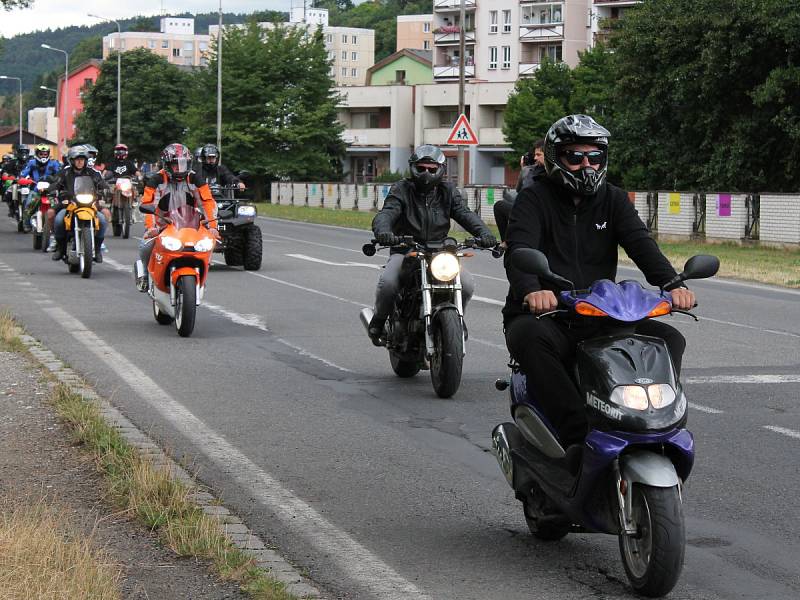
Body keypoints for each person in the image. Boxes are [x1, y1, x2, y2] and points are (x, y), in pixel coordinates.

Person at [503, 114, 696, 449]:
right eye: (575, 158)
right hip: (549, 315)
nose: (586, 165)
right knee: (531, 338)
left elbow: (642, 245)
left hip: (602, 313)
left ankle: (656, 419)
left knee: (668, 339)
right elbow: (520, 250)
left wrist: (673, 284)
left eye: (594, 157)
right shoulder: (534, 200)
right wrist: (533, 290)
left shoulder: (614, 199)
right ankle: (576, 436)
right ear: (554, 158)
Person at [367, 144, 497, 345]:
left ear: (440, 170)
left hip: (440, 252)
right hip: (406, 249)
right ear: (413, 168)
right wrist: (384, 232)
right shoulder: (401, 189)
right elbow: (388, 212)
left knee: (467, 284)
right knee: (389, 283)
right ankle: (379, 320)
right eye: (421, 168)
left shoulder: (448, 191)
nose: (426, 173)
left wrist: (485, 234)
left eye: (432, 169)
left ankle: (457, 320)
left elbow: (464, 214)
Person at [135, 143, 218, 291]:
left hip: (189, 224)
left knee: (208, 244)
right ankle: (146, 276)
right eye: (175, 164)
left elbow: (207, 202)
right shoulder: (156, 180)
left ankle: (202, 277)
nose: (180, 168)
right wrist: (151, 228)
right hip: (163, 225)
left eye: (183, 164)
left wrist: (212, 227)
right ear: (167, 164)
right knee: (145, 246)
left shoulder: (195, 179)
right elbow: (148, 204)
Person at [50, 145, 109, 263]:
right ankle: (60, 248)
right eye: (77, 159)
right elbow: (55, 184)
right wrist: (52, 190)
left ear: (86, 160)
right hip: (69, 203)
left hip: (89, 203)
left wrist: (105, 191)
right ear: (71, 160)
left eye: (82, 159)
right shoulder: (65, 173)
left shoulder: (92, 173)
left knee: (103, 218)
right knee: (57, 218)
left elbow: (103, 185)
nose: (80, 162)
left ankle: (97, 249)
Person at [493, 139, 545, 242]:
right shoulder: (528, 171)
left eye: (539, 155)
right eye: (535, 155)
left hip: (541, 216)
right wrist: (524, 170)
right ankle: (505, 242)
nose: (535, 158)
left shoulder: (555, 173)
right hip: (524, 211)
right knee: (499, 206)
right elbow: (519, 191)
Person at [20, 144, 62, 228]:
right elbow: (23, 174)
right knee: (28, 204)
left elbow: (60, 174)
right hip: (35, 190)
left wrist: (56, 179)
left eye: (45, 154)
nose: (43, 156)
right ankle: (26, 223)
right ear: (37, 154)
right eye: (41, 154)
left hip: (50, 191)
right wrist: (24, 179)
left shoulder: (54, 163)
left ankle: (58, 225)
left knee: (58, 205)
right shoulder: (31, 163)